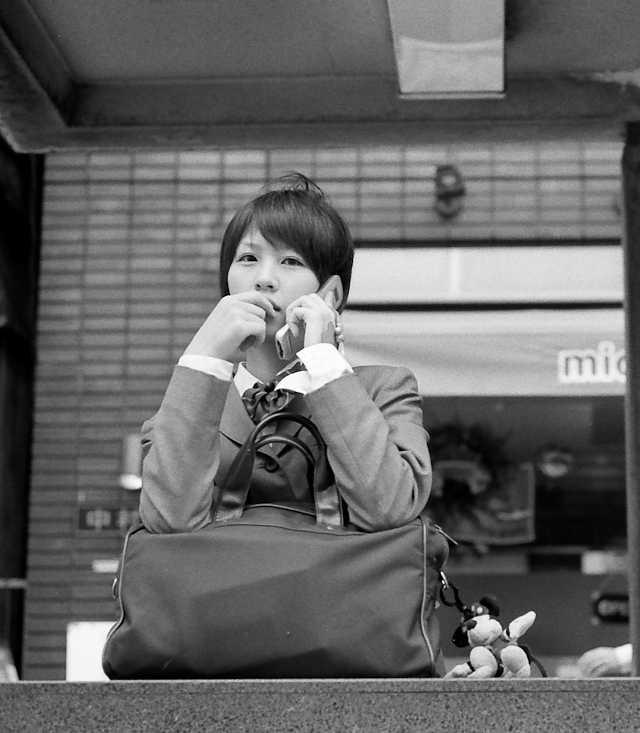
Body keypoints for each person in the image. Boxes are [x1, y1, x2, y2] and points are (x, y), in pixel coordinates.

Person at [138, 172, 432, 534]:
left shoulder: (383, 390)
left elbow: (389, 508)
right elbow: (168, 520)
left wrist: (323, 360)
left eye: (290, 261)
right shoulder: (191, 399)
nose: (264, 278)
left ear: (331, 295)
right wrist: (204, 355)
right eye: (248, 258)